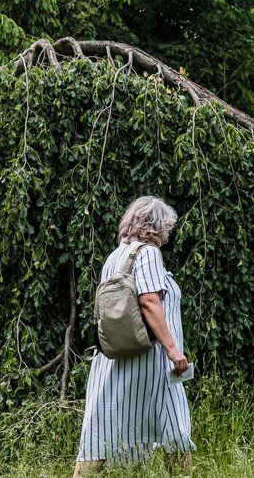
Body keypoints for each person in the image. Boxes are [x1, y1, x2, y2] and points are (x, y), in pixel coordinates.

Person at [75, 196, 195, 476]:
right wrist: (174, 352)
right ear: (158, 226)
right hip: (151, 361)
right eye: (167, 228)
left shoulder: (116, 256)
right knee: (175, 426)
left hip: (115, 358)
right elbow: (149, 302)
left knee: (102, 427)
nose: (167, 234)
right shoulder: (148, 253)